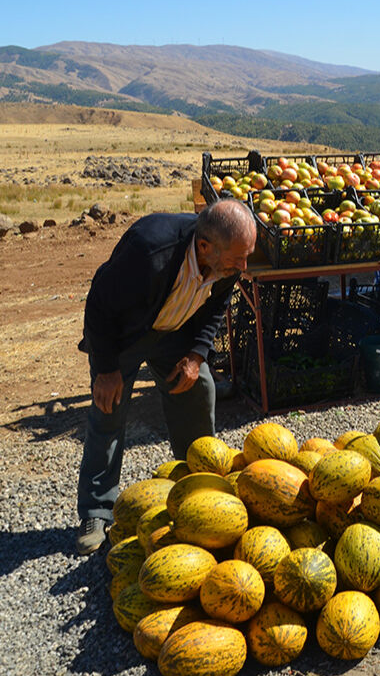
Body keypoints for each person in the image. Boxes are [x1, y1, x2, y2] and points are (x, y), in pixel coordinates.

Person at [74, 199, 256, 555]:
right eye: (238, 258)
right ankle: (96, 511)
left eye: (247, 256)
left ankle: (200, 490)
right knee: (108, 411)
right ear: (205, 248)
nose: (244, 266)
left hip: (176, 333)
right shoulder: (149, 249)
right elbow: (99, 304)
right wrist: (108, 368)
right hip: (124, 335)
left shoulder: (228, 258)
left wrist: (196, 354)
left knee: (199, 388)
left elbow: (217, 306)